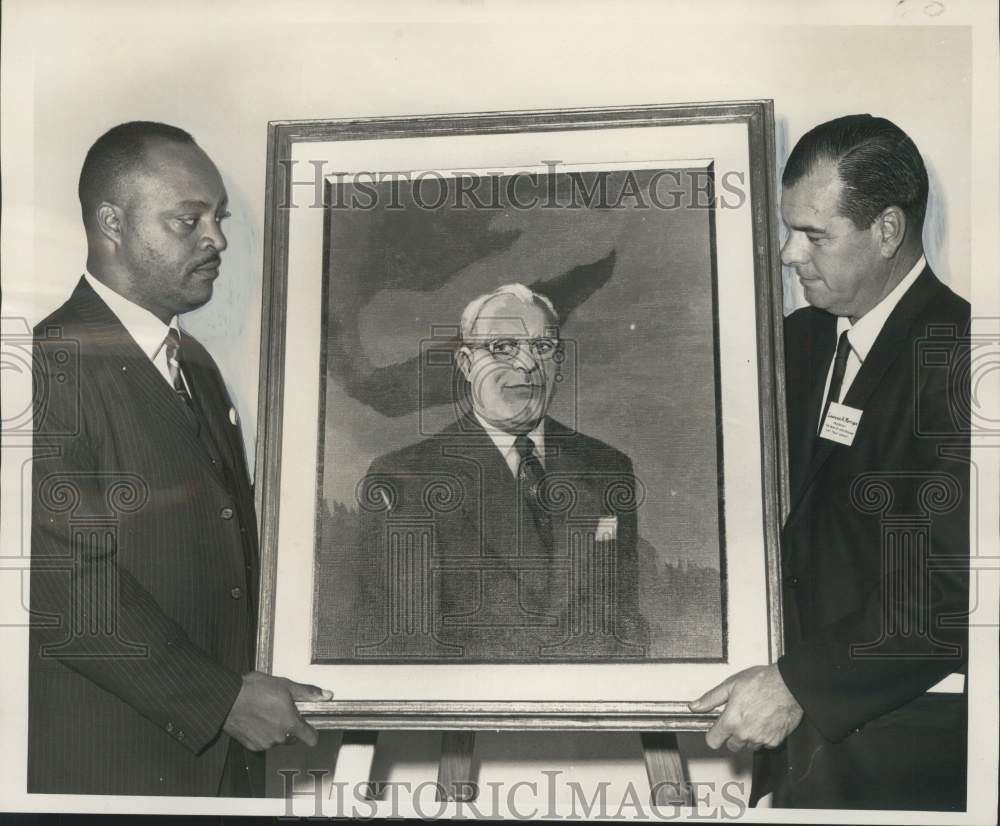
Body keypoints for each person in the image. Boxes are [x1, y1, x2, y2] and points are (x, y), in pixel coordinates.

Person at [29, 121, 332, 797]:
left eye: (217, 217)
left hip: (222, 768)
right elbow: (58, 588)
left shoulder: (193, 363)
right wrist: (221, 699)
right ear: (112, 222)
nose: (217, 238)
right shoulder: (42, 368)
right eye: (187, 219)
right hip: (111, 770)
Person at [689, 115, 970, 810]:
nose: (788, 254)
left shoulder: (965, 358)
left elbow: (948, 594)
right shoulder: (792, 341)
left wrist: (796, 685)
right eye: (789, 230)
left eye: (813, 235)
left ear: (886, 231)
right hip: (793, 750)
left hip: (904, 753)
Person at [352, 284, 646, 660]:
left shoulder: (607, 468)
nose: (526, 365)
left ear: (558, 364)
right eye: (502, 348)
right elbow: (403, 645)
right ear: (465, 364)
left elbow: (623, 622)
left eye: (541, 348)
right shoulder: (402, 479)